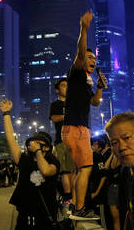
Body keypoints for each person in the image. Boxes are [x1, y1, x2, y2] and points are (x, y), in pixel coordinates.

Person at [62, 11, 106, 220]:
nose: (92, 60)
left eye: (94, 59)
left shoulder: (86, 82)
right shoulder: (76, 72)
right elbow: (80, 54)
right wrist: (84, 29)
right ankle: (80, 209)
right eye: (90, 57)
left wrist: (99, 88)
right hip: (76, 129)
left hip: (79, 129)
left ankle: (77, 208)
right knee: (86, 168)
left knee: (82, 169)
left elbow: (95, 102)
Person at [0, 99, 60, 229]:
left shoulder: (53, 161)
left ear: (47, 148)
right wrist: (6, 114)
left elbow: (46, 171)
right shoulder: (25, 159)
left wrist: (38, 151)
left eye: (39, 143)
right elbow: (10, 138)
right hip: (25, 214)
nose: (33, 145)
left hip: (45, 214)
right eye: (33, 143)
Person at [50, 78, 76, 210]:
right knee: (65, 171)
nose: (67, 88)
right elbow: (54, 118)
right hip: (62, 140)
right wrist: (67, 115)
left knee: (72, 170)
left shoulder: (73, 103)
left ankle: (73, 197)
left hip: (75, 140)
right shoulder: (55, 104)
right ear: (57, 90)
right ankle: (67, 198)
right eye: (63, 86)